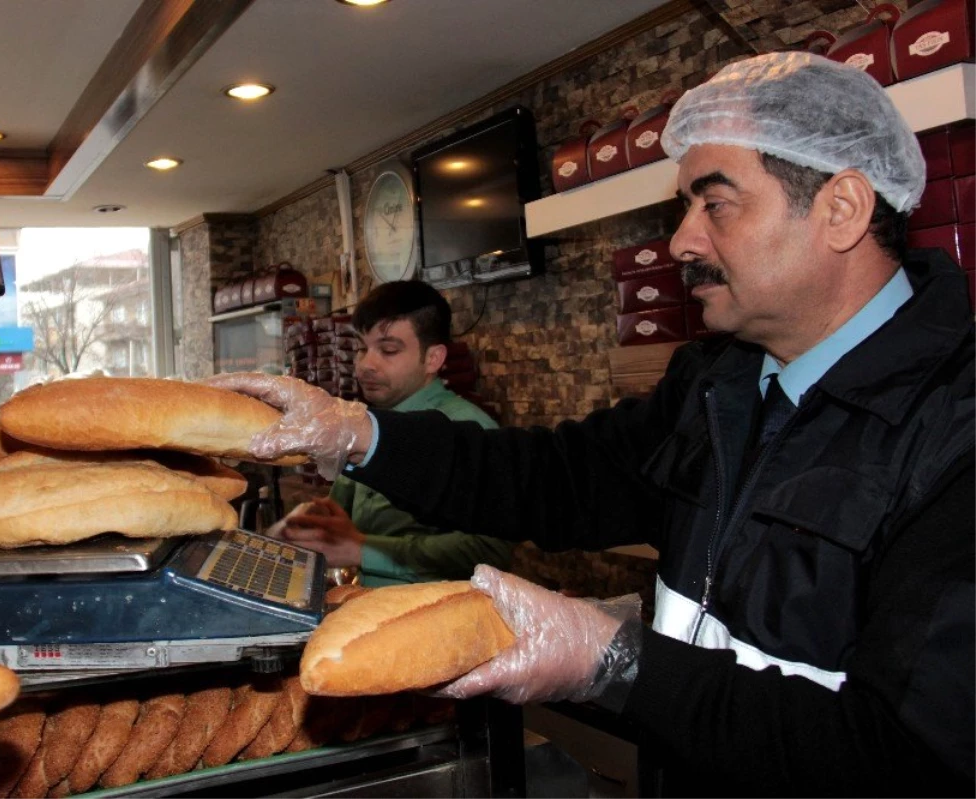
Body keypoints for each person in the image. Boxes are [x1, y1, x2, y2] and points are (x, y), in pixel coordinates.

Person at [206, 52, 976, 796]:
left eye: (716, 203)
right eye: (684, 208)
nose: (681, 241)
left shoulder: (956, 429)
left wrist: (617, 662)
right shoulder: (718, 384)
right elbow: (552, 477)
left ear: (840, 210)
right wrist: (358, 434)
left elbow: (907, 754)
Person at [268, 280, 514, 586]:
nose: (366, 365)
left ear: (433, 358)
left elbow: (491, 550)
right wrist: (305, 522)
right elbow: (340, 509)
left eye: (388, 350)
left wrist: (361, 550)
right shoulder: (365, 422)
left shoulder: (469, 430)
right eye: (361, 348)